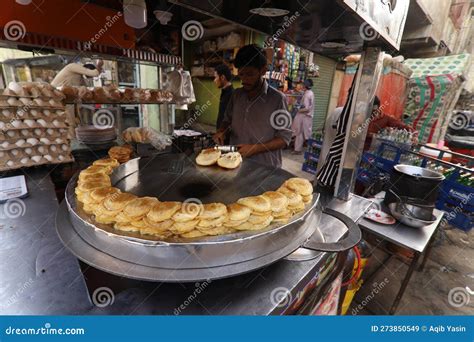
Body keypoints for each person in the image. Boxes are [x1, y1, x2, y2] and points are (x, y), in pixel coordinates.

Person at [213, 44, 292, 168]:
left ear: (263, 71)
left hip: (265, 167)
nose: (244, 80)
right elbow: (227, 121)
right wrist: (221, 132)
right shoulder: (236, 95)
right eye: (241, 74)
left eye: (249, 74)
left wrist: (255, 149)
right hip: (235, 162)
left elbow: (284, 139)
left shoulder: (277, 99)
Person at [291, 79, 315, 154]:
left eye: (303, 85)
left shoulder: (308, 95)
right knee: (301, 134)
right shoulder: (309, 93)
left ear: (305, 86)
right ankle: (298, 150)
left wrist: (298, 109)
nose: (302, 86)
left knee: (302, 134)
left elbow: (307, 108)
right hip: (305, 117)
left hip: (304, 117)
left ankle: (309, 150)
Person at [213, 64, 234, 131]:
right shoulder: (224, 92)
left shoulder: (231, 95)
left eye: (215, 77)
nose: (214, 80)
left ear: (222, 77)